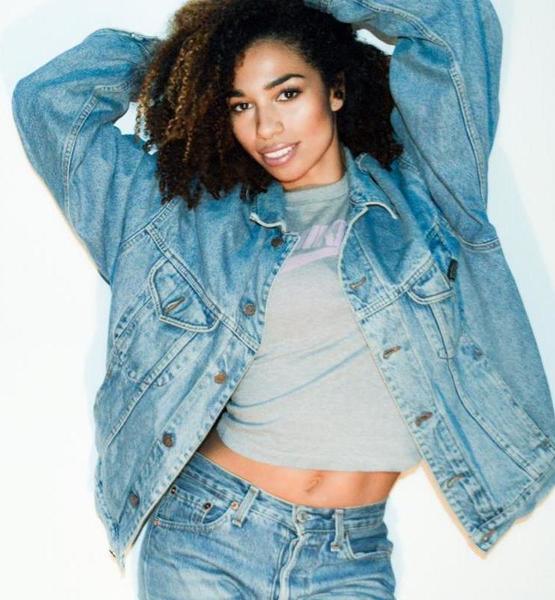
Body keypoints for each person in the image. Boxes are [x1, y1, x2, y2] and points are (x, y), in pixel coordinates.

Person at [11, 0, 555, 598]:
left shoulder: (424, 195)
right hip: (206, 537)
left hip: (352, 555)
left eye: (287, 93)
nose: (266, 128)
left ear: (335, 89)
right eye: (240, 104)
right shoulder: (190, 221)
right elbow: (49, 103)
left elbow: (451, 22)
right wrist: (187, 60)